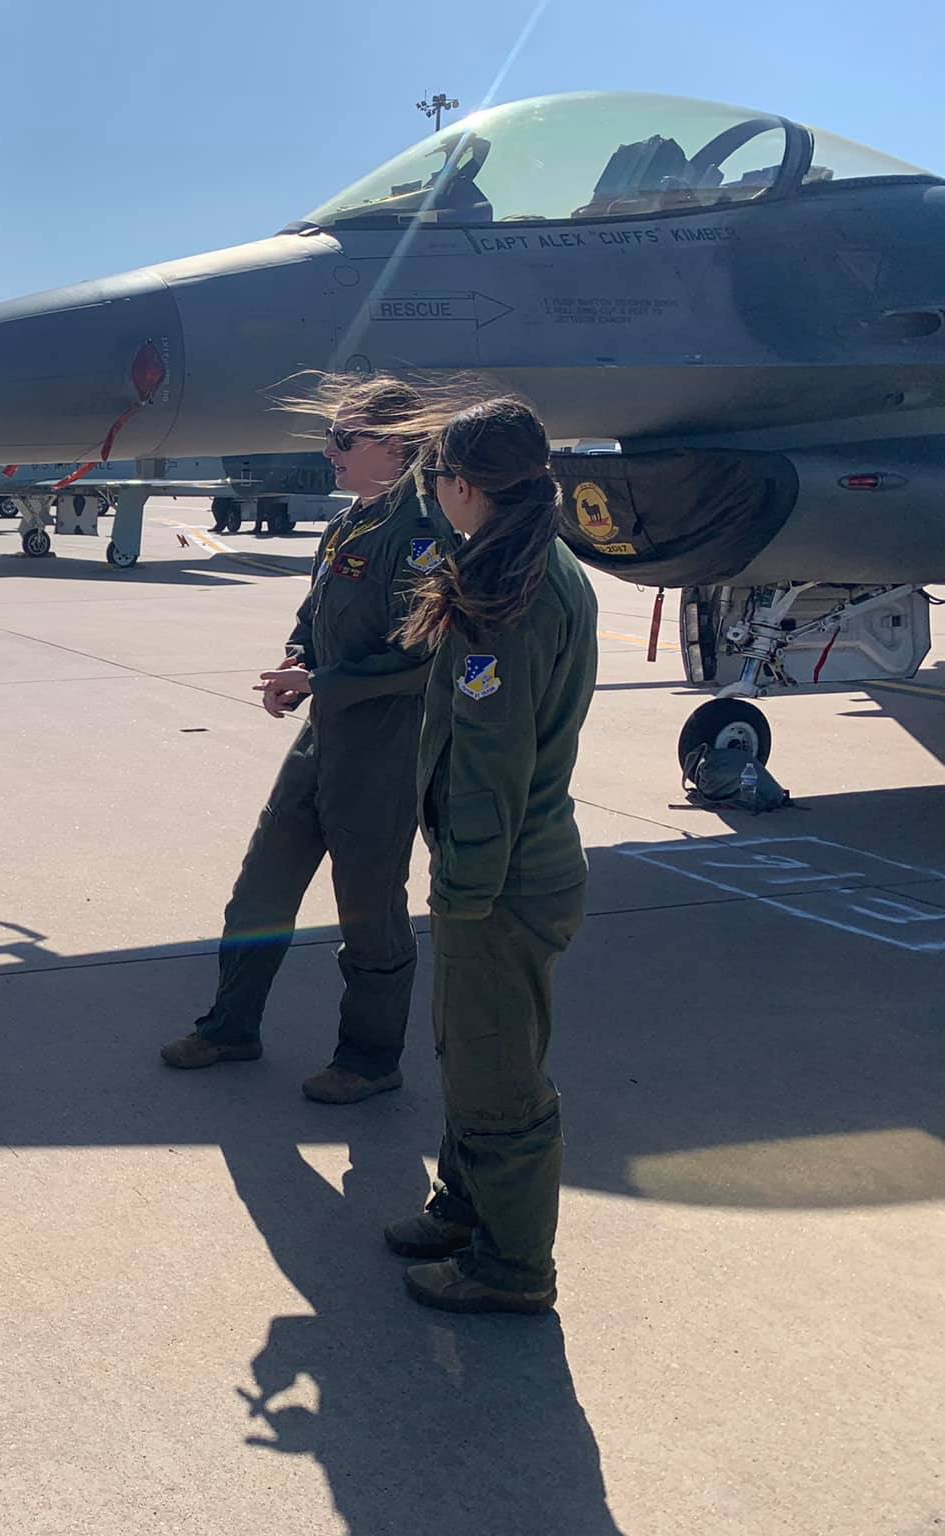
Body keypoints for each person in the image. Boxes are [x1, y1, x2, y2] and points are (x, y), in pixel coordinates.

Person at [161, 377, 449, 1103]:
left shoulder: (421, 534)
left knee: (370, 914)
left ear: (395, 444)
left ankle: (370, 1060)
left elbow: (420, 659)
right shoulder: (347, 522)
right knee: (259, 890)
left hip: (381, 749)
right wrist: (297, 660)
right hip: (323, 739)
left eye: (344, 439)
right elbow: (313, 614)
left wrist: (323, 683)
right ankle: (231, 1028)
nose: (330, 451)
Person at [381, 395, 598, 1316]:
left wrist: (462, 888)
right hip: (513, 865)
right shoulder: (521, 562)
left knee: (498, 1072)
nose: (434, 493)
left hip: (501, 875)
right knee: (468, 1053)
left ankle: (513, 1267)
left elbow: (489, 763)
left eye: (435, 477)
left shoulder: (505, 597)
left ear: (466, 485)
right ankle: (466, 1209)